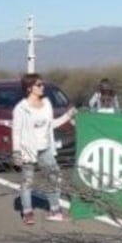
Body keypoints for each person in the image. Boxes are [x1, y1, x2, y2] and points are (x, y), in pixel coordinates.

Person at [12, 73, 78, 225]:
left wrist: (68, 115)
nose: (43, 88)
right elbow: (16, 131)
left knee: (54, 177)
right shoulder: (21, 108)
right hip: (28, 149)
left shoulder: (47, 103)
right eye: (39, 85)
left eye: (42, 85)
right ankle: (27, 212)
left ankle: (55, 210)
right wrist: (16, 152)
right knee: (27, 181)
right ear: (29, 88)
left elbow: (51, 124)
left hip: (46, 148)